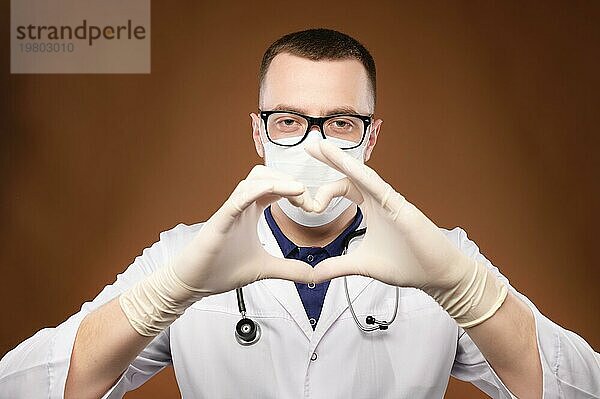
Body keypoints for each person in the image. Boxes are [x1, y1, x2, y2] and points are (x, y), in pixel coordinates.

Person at [1, 28, 598, 399]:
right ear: (258, 135)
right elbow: (29, 385)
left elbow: (580, 387)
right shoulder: (185, 260)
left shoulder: (438, 262)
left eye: (340, 123)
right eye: (288, 120)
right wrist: (165, 293)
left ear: (371, 137)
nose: (315, 145)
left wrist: (467, 288)